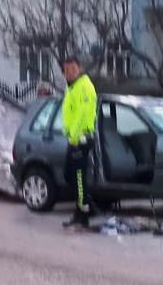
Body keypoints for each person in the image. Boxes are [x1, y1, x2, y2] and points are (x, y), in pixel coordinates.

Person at [60, 55, 98, 229]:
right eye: (66, 71)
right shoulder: (71, 87)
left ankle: (83, 215)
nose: (69, 73)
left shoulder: (84, 87)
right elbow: (69, 112)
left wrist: (74, 136)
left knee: (79, 178)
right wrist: (67, 132)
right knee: (69, 175)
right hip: (73, 139)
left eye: (72, 70)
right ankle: (85, 206)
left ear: (80, 69)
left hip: (81, 139)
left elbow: (83, 114)